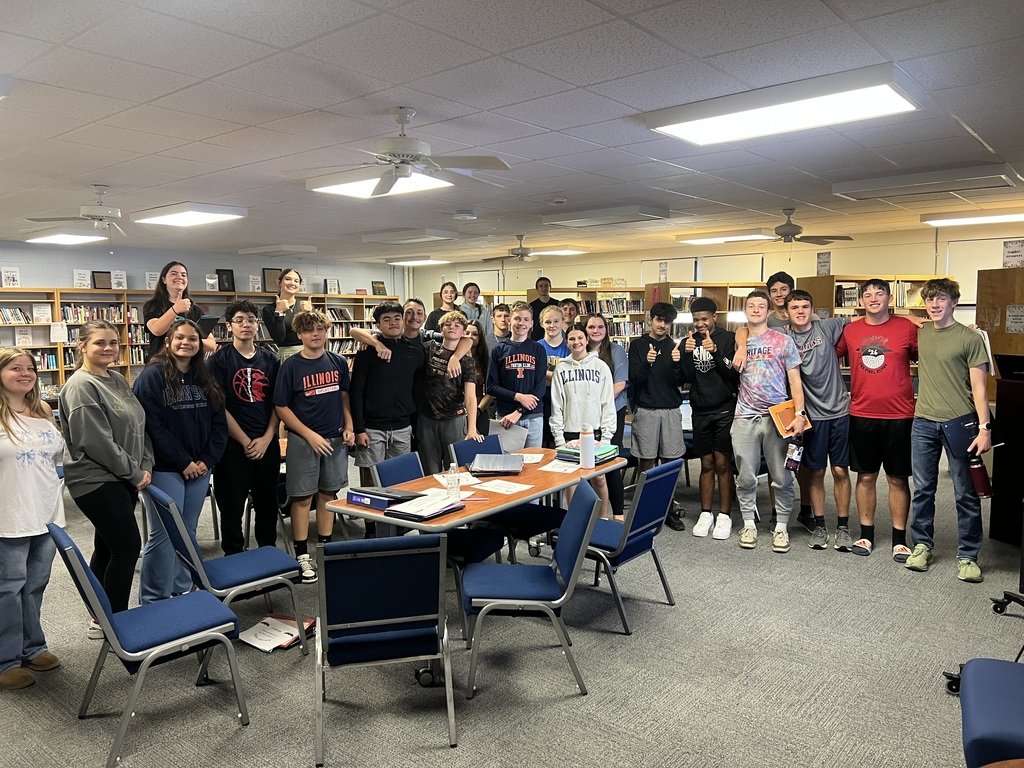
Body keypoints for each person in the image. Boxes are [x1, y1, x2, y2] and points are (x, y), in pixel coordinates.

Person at [59, 320, 153, 634]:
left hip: (123, 477)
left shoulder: (116, 379)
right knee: (127, 547)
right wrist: (134, 472)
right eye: (100, 342)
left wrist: (145, 464)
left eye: (113, 342)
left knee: (108, 547)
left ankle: (99, 614)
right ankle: (116, 623)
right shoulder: (81, 385)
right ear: (82, 346)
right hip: (96, 480)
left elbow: (139, 423)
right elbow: (95, 441)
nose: (108, 348)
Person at [134, 318, 227, 604]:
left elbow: (219, 422)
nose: (186, 343)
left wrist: (206, 460)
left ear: (200, 344)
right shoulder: (152, 376)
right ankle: (154, 599)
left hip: (200, 467)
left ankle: (182, 588)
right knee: (163, 533)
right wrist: (183, 461)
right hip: (166, 467)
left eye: (192, 339)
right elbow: (152, 425)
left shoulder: (205, 375)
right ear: (168, 341)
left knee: (188, 529)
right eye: (180, 338)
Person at [905, 278, 991, 583]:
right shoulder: (922, 332)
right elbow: (894, 315)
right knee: (923, 490)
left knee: (965, 492)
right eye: (930, 299)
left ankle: (968, 555)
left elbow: (980, 388)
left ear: (954, 302)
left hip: (960, 422)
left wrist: (984, 428)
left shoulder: (970, 338)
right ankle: (922, 546)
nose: (935, 304)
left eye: (941, 298)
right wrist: (912, 316)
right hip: (923, 422)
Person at [835, 278, 918, 561]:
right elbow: (825, 356)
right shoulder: (851, 330)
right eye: (867, 294)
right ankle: (866, 534)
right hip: (862, 414)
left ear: (889, 298)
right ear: (861, 301)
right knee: (866, 475)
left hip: (900, 415)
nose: (873, 298)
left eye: (879, 293)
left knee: (898, 478)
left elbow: (933, 351)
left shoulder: (906, 328)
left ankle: (899, 539)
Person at [0, 348, 65, 690]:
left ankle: (32, 647)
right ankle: (5, 660)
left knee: (35, 583)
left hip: (46, 512)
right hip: (8, 515)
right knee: (8, 588)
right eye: (15, 368)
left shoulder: (42, 410)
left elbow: (54, 460)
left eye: (30, 368)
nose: (25, 373)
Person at [274, 310, 355, 582]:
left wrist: (349, 426)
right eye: (309, 330)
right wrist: (309, 435)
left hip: (334, 439)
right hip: (303, 440)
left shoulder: (338, 361)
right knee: (302, 497)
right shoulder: (290, 366)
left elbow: (344, 398)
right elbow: (281, 407)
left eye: (320, 329)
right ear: (300, 335)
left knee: (327, 494)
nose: (316, 334)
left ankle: (325, 548)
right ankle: (302, 555)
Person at [731, 291, 806, 553]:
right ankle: (748, 524)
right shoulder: (740, 339)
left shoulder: (783, 341)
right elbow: (741, 332)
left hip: (776, 417)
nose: (755, 310)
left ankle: (781, 527)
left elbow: (795, 380)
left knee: (782, 476)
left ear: (768, 310)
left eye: (761, 306)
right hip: (745, 416)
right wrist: (742, 345)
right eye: (751, 306)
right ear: (745, 310)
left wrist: (800, 413)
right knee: (745, 476)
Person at [208, 300, 281, 556]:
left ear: (257, 325)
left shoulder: (271, 360)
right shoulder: (218, 361)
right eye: (239, 320)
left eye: (251, 320)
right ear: (229, 326)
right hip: (232, 446)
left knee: (267, 504)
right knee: (231, 507)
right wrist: (245, 441)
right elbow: (218, 406)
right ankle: (234, 559)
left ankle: (268, 556)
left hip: (266, 443)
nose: (246, 325)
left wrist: (266, 438)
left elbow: (279, 404)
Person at [782, 290, 853, 550]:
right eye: (795, 307)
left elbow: (868, 319)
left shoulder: (827, 327)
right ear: (786, 312)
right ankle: (820, 524)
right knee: (816, 471)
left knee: (840, 470)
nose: (800, 311)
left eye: (805, 306)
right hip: (812, 417)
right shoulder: (784, 337)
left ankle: (843, 527)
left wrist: (912, 319)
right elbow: (749, 330)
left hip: (840, 411)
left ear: (812, 309)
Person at [678, 298, 739, 540]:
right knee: (706, 464)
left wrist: (715, 352)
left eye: (704, 318)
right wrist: (686, 354)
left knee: (723, 463)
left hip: (724, 409)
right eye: (696, 320)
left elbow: (732, 373)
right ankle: (705, 513)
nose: (700, 323)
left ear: (715, 317)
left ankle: (724, 514)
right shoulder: (689, 341)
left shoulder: (728, 339)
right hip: (700, 410)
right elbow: (686, 377)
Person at [350, 302, 427, 481]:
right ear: (378, 325)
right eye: (386, 319)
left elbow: (417, 390)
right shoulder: (367, 351)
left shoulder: (415, 352)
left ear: (403, 321)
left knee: (400, 480)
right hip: (371, 429)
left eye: (397, 318)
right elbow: (356, 391)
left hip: (402, 427)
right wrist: (359, 429)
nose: (393, 322)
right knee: (370, 481)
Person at [627, 301, 686, 531]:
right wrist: (647, 363)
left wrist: (676, 364)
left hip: (670, 409)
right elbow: (634, 379)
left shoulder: (675, 346)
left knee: (670, 463)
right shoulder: (638, 345)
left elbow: (680, 381)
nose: (663, 325)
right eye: (659, 320)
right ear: (651, 320)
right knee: (647, 462)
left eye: (667, 322)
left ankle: (668, 509)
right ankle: (646, 512)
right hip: (646, 410)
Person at [550, 326, 616, 518]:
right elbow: (557, 405)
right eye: (571, 339)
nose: (576, 342)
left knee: (599, 479)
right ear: (566, 343)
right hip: (570, 434)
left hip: (595, 434)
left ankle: (602, 519)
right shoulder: (561, 369)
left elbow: (607, 404)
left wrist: (606, 438)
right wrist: (559, 439)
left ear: (587, 340)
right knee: (572, 482)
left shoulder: (601, 367)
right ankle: (575, 522)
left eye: (580, 338)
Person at [418, 311, 482, 475]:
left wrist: (472, 428)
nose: (452, 327)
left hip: (454, 418)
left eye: (457, 325)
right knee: (430, 470)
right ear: (441, 329)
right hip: (427, 418)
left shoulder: (467, 361)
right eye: (447, 324)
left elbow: (470, 397)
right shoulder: (430, 348)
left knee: (454, 468)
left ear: (463, 331)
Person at [583, 313, 629, 520]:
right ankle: (592, 514)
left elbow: (620, 384)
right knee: (588, 462)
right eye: (591, 327)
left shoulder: (616, 351)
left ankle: (618, 514)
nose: (596, 331)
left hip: (612, 411)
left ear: (606, 329)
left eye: (600, 327)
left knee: (610, 460)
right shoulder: (580, 350)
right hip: (586, 416)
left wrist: (597, 403)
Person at [487, 301, 547, 448]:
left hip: (533, 417)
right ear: (509, 321)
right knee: (508, 461)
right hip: (506, 416)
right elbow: (491, 387)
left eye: (526, 319)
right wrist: (518, 396)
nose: (521, 323)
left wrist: (519, 411)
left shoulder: (538, 349)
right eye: (517, 318)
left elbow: (540, 387)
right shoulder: (498, 350)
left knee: (533, 461)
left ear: (531, 323)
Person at [143, 261, 216, 361]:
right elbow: (157, 330)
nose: (179, 277)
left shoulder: (195, 310)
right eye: (174, 274)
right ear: (164, 279)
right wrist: (176, 309)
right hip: (161, 364)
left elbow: (211, 345)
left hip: (189, 365)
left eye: (183, 275)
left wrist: (190, 340)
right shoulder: (153, 305)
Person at [537, 305, 569, 449]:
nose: (552, 325)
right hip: (542, 397)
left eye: (556, 321)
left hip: (565, 398)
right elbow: (536, 373)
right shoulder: (536, 347)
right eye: (548, 322)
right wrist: (556, 375)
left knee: (561, 441)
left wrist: (546, 374)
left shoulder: (570, 346)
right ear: (541, 323)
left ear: (562, 321)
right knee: (543, 440)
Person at [263, 268, 312, 360]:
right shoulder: (269, 309)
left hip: (309, 353)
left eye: (296, 281)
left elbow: (313, 334)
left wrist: (309, 314)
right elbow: (279, 338)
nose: (292, 283)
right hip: (286, 355)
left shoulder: (305, 306)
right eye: (288, 279)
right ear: (279, 283)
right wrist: (279, 313)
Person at [465, 319, 492, 437]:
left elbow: (491, 390)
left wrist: (478, 410)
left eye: (475, 334)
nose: (470, 336)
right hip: (456, 412)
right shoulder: (454, 357)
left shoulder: (485, 360)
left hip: (479, 409)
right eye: (467, 333)